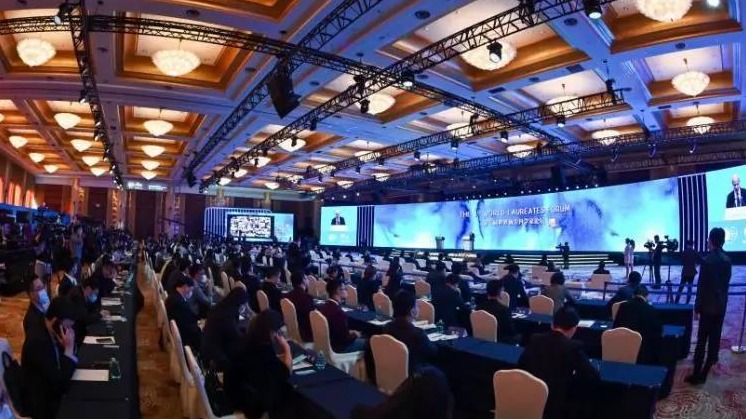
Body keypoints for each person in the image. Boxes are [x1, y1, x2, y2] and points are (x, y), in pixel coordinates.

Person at [518, 306, 600, 419]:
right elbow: (592, 376)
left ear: (552, 324)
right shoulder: (573, 347)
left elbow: (521, 366)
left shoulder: (535, 339)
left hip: (531, 396)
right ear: (574, 329)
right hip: (557, 405)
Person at [225, 310, 291, 419]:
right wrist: (287, 349)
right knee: (286, 395)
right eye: (276, 331)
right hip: (247, 405)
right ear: (271, 332)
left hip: (232, 394)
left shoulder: (246, 340)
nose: (277, 335)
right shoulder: (263, 351)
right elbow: (286, 372)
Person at [687, 227, 732, 385]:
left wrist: (696, 308)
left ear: (711, 240)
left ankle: (697, 375)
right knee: (715, 338)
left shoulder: (707, 261)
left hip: (707, 306)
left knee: (701, 341)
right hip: (721, 305)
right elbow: (725, 285)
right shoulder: (727, 260)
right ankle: (706, 371)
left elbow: (702, 287)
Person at [21, 297, 78, 419]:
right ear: (55, 321)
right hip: (44, 402)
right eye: (67, 327)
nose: (68, 331)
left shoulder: (49, 328)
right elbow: (59, 383)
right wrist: (68, 350)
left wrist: (68, 348)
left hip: (52, 390)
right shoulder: (38, 342)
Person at [381, 291, 437, 372]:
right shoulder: (417, 334)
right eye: (417, 306)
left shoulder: (387, 327)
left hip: (392, 368)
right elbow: (432, 352)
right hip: (413, 373)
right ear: (412, 311)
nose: (418, 308)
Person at [201, 287, 250, 372]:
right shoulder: (226, 316)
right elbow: (236, 337)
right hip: (216, 359)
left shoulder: (221, 307)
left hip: (210, 349)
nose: (244, 307)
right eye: (243, 305)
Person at [613, 285, 662, 365]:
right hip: (644, 351)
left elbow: (616, 325)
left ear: (633, 295)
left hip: (623, 345)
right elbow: (658, 330)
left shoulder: (623, 306)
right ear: (647, 296)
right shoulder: (651, 310)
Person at [318, 279, 365, 352]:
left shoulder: (324, 306)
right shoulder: (338, 312)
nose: (346, 291)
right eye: (345, 289)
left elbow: (336, 330)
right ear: (338, 291)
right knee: (369, 343)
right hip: (339, 347)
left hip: (328, 343)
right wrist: (355, 335)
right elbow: (344, 339)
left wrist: (349, 332)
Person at [165, 276, 203, 355]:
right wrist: (200, 328)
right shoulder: (178, 303)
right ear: (185, 287)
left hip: (182, 329)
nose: (191, 292)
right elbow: (187, 326)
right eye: (191, 290)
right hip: (185, 337)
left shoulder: (174, 296)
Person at [68, 275, 106, 347]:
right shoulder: (77, 296)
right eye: (94, 293)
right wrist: (100, 315)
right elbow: (85, 319)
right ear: (88, 288)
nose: (94, 296)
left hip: (80, 327)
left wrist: (98, 312)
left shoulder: (82, 291)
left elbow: (93, 308)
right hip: (76, 332)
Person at [285, 271, 315, 342]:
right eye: (306, 278)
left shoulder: (287, 296)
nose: (308, 280)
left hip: (292, 328)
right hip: (305, 332)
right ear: (303, 281)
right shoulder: (307, 297)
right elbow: (311, 316)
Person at [677, 240, 701, 304]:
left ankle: (676, 301)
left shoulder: (685, 252)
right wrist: (696, 264)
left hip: (685, 272)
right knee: (689, 288)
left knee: (681, 287)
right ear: (692, 245)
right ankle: (687, 303)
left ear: (687, 245)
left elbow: (682, 261)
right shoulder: (694, 252)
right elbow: (700, 259)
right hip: (692, 272)